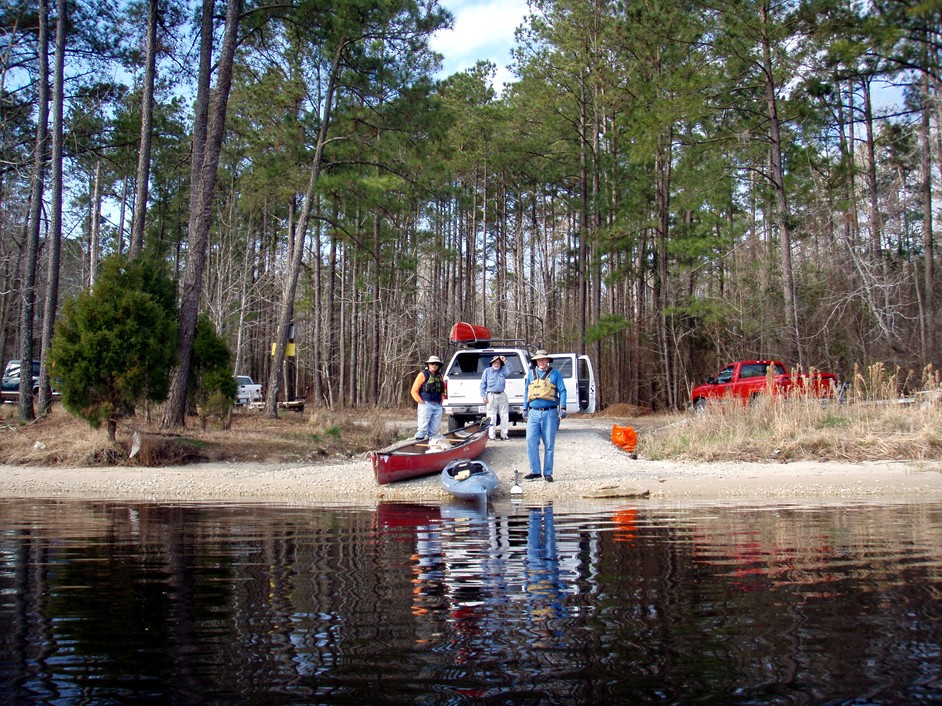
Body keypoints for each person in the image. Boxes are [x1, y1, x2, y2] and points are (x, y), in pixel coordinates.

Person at [523, 350, 567, 482]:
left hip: (550, 412)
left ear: (547, 360)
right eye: (538, 360)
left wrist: (563, 407)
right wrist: (525, 408)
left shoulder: (555, 374)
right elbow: (526, 392)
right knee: (530, 441)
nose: (541, 362)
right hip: (534, 413)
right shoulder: (531, 374)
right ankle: (535, 471)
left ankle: (548, 472)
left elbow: (563, 390)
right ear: (536, 361)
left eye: (543, 359)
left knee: (548, 443)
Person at [411, 355, 445, 441]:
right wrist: (419, 401)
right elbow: (414, 390)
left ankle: (431, 448)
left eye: (436, 364)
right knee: (422, 429)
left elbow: (443, 390)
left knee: (434, 431)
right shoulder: (422, 375)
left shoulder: (441, 376)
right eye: (432, 363)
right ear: (428, 365)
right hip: (426, 404)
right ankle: (419, 446)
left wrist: (442, 401)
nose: (434, 365)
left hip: (437, 405)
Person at [480, 355, 510, 441]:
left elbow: (510, 370)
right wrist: (483, 396)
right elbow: (482, 384)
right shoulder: (487, 371)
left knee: (504, 415)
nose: (496, 364)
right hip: (491, 395)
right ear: (492, 363)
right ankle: (491, 436)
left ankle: (504, 435)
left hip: (502, 395)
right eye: (495, 362)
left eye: (498, 362)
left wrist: (505, 361)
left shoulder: (503, 370)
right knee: (491, 416)